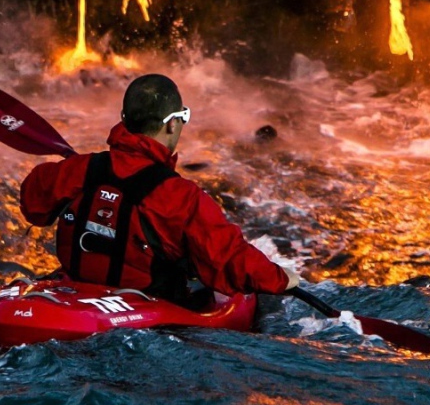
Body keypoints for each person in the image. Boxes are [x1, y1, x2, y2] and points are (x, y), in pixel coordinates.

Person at [19, 73, 300, 303]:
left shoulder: (77, 170)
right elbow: (228, 258)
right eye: (183, 118)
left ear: (124, 119)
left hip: (73, 297)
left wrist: (79, 174)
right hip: (143, 312)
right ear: (172, 124)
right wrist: (281, 278)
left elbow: (33, 203)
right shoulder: (181, 197)